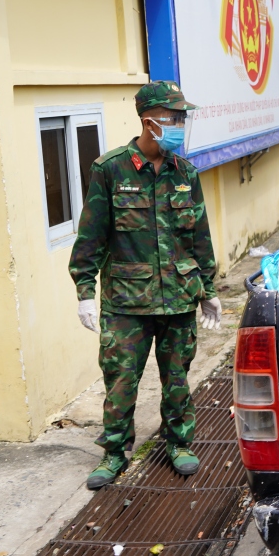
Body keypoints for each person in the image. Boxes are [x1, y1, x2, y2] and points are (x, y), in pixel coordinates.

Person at [69, 81, 222, 490]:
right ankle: (115, 453)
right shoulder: (110, 170)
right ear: (148, 121)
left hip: (177, 298)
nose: (179, 125)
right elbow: (91, 237)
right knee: (119, 381)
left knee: (177, 379)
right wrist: (84, 291)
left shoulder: (185, 172)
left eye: (182, 119)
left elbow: (200, 236)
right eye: (174, 118)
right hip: (126, 303)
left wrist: (209, 289)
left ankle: (179, 444)